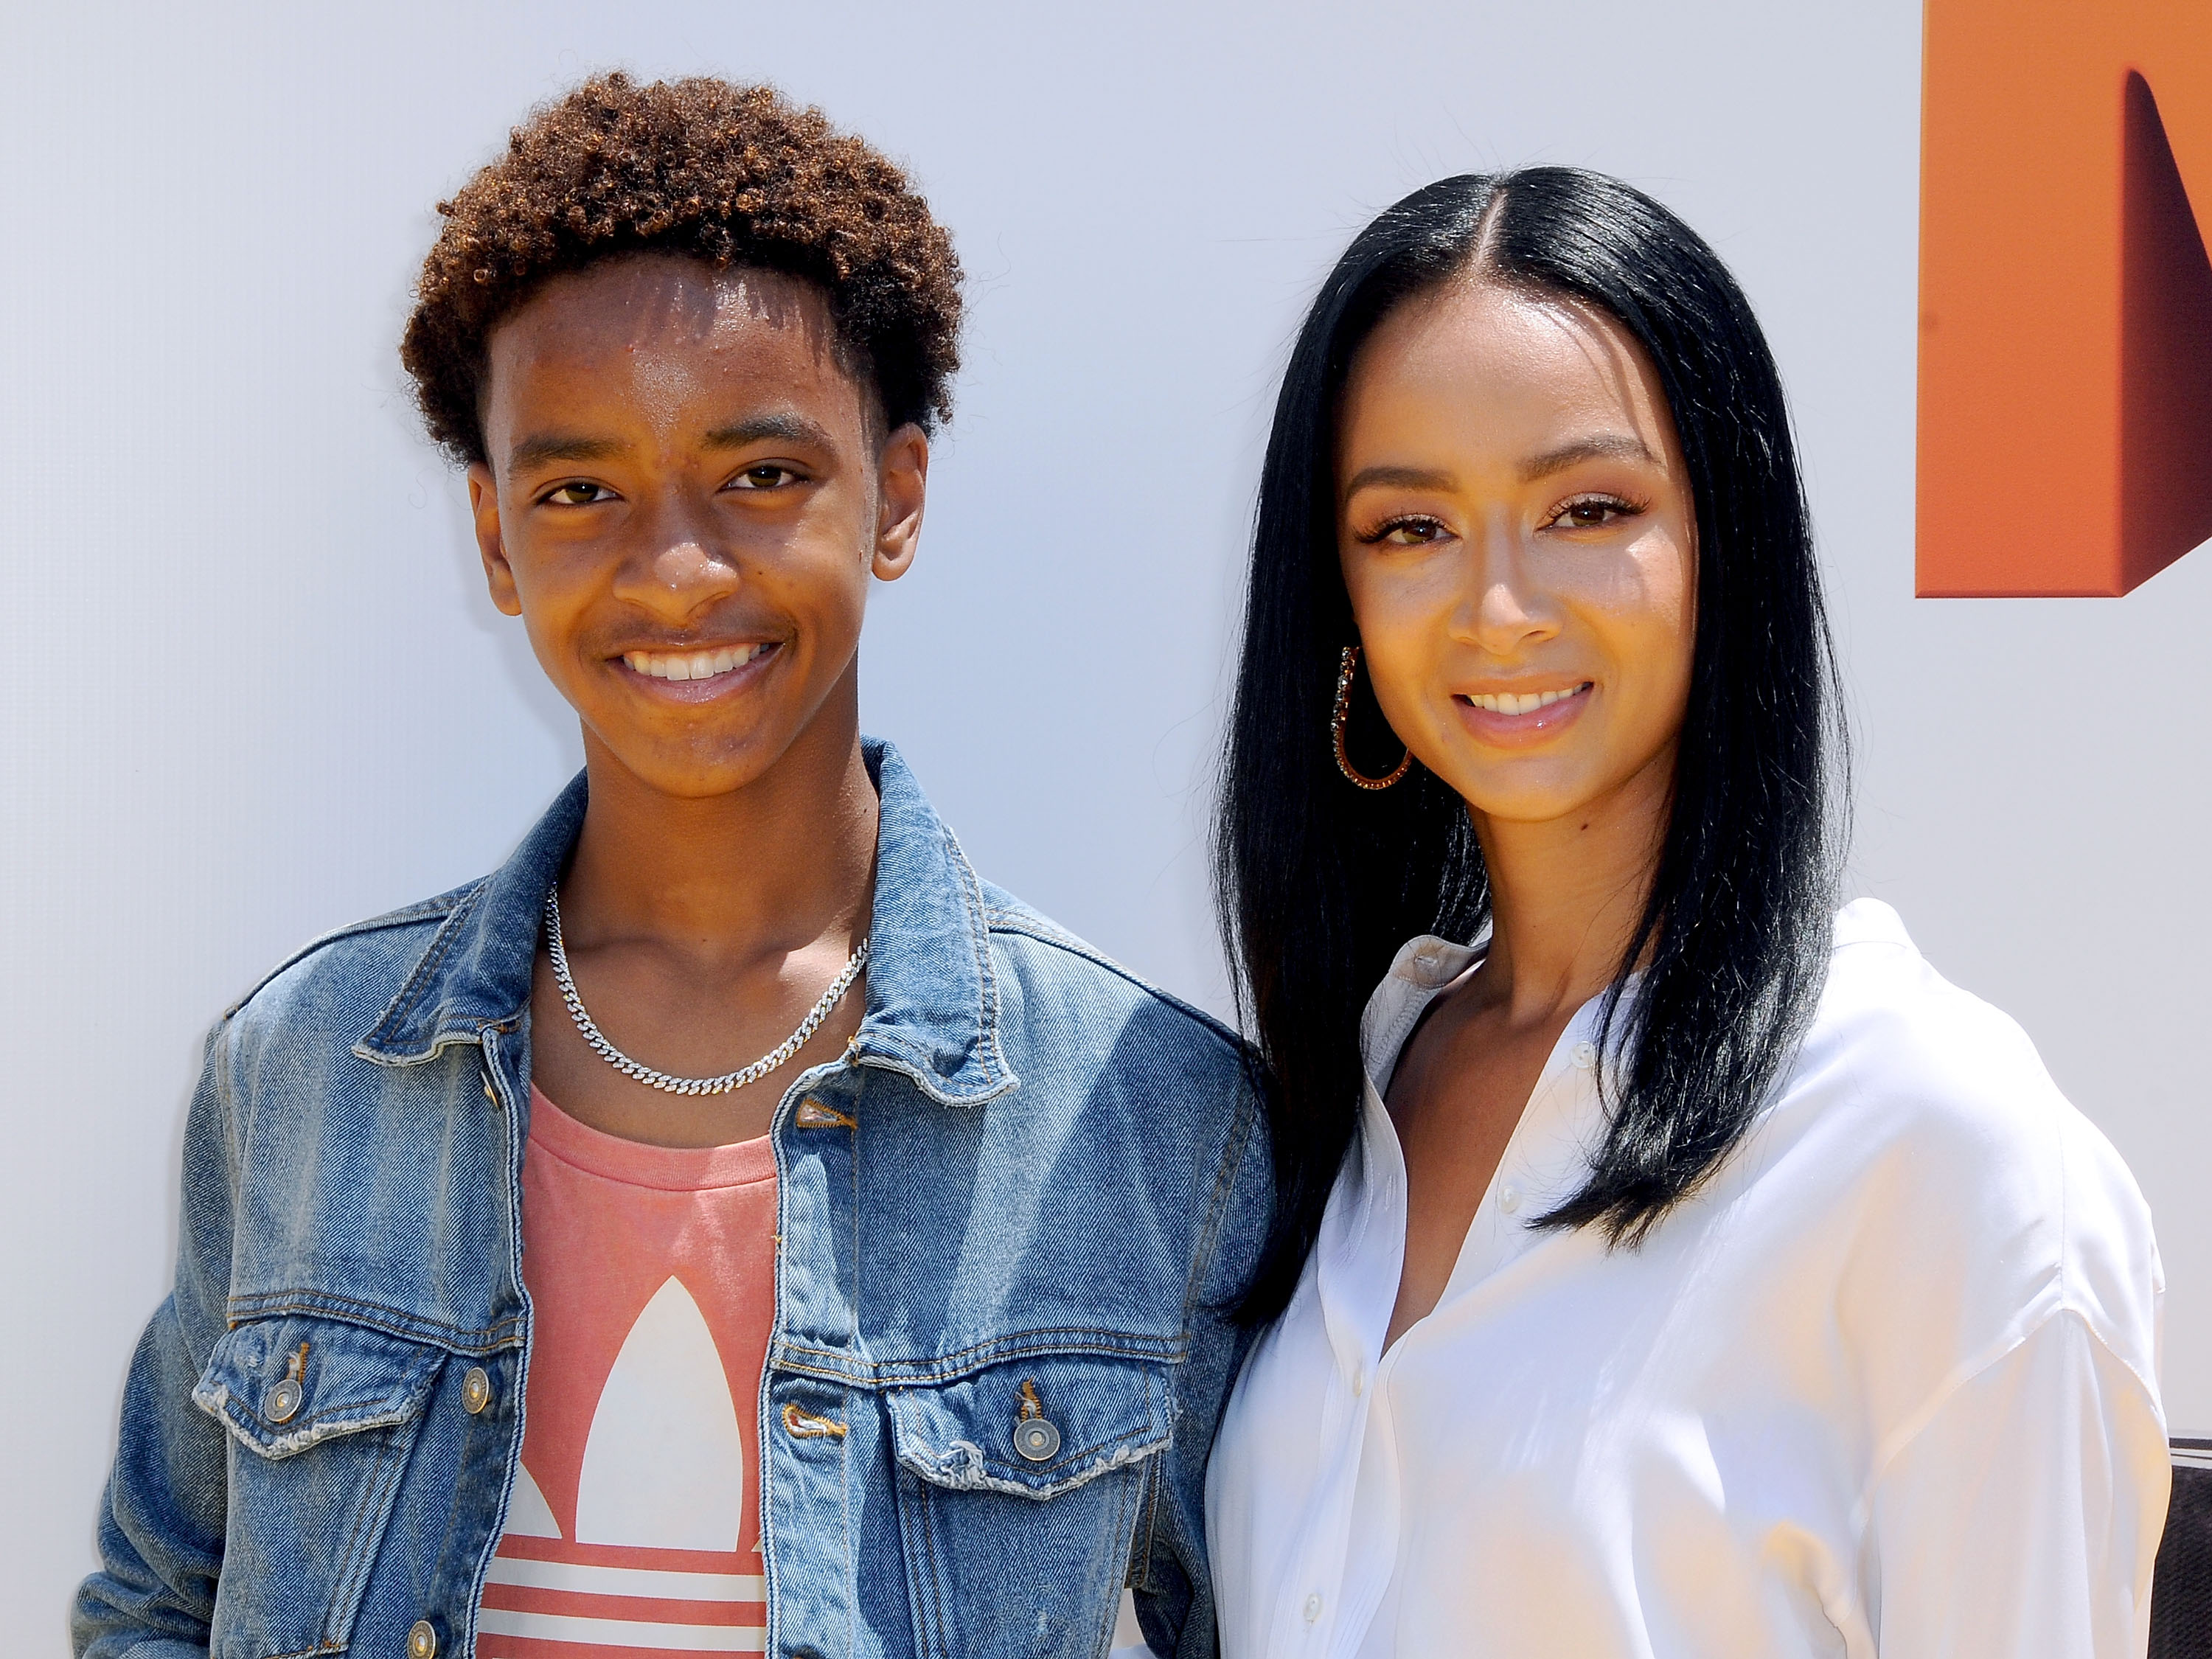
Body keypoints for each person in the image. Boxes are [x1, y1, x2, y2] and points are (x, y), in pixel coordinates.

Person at [74, 73, 1268, 1659]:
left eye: (763, 474)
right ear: (496, 539)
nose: (678, 568)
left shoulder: (1154, 1121)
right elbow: (162, 1604)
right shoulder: (301, 1074)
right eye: (580, 493)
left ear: (895, 497)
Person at [1206, 169, 2168, 1657]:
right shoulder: (1346, 1100)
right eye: (1409, 529)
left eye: (1589, 508)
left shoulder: (1937, 1144)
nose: (1500, 605)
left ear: (1730, 540)